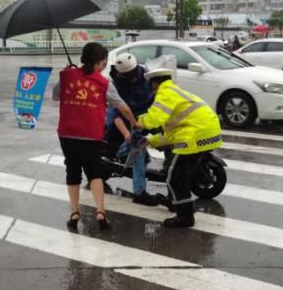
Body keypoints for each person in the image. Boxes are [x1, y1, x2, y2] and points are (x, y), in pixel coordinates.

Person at [53, 42, 138, 230]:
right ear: (99, 62)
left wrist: (66, 75)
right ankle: (100, 212)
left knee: (72, 170)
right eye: (104, 62)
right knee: (94, 172)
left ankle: (74, 213)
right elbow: (121, 106)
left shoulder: (67, 76)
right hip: (91, 134)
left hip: (67, 133)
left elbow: (55, 96)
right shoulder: (104, 83)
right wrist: (134, 122)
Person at [138, 68, 222, 228]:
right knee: (179, 176)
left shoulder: (165, 93)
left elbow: (152, 120)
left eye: (150, 85)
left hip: (194, 135)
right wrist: (150, 141)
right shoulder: (175, 92)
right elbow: (170, 133)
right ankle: (183, 210)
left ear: (155, 83)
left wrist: (138, 122)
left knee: (175, 177)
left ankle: (185, 217)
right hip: (207, 132)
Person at [106, 53, 159, 206]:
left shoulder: (147, 76)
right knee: (138, 148)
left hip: (148, 115)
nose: (132, 77)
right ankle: (139, 192)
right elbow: (116, 112)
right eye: (127, 75)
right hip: (125, 119)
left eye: (133, 73)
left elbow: (157, 96)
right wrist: (127, 134)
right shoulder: (117, 84)